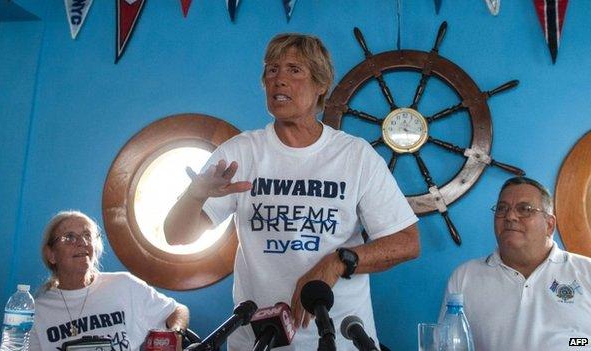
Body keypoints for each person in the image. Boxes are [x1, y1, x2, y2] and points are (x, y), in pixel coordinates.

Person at [164, 33, 420, 350]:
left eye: (294, 70)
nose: (279, 80)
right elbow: (175, 236)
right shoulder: (241, 153)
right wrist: (195, 195)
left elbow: (407, 242)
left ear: (321, 84)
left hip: (339, 339)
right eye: (272, 70)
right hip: (258, 341)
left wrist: (338, 262)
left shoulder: (355, 156)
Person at [442, 177, 591, 351]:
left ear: (550, 225)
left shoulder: (586, 272)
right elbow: (447, 345)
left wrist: (575, 343)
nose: (510, 216)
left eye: (525, 209)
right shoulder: (465, 277)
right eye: (502, 209)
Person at [30, 210, 189, 351]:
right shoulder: (38, 311)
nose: (82, 242)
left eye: (87, 235)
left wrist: (176, 334)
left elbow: (177, 310)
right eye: (70, 237)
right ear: (51, 254)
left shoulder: (124, 286)